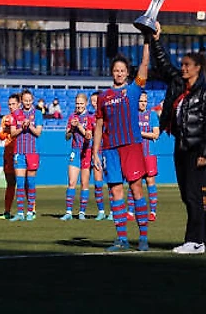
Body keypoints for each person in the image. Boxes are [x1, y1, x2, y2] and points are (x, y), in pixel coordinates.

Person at [150, 22, 206, 255]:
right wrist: (156, 40)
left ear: (198, 68)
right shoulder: (179, 85)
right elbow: (163, 65)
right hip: (180, 146)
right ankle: (193, 240)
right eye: (182, 65)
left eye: (187, 65)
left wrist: (204, 153)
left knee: (193, 195)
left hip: (194, 150)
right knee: (186, 195)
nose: (182, 68)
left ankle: (196, 241)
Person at [91, 40, 151, 252]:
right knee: (116, 192)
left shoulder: (134, 90)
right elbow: (99, 125)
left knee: (136, 189)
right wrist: (95, 152)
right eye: (116, 70)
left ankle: (143, 238)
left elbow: (144, 65)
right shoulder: (103, 97)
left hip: (131, 147)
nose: (119, 73)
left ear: (127, 73)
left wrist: (147, 41)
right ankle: (121, 239)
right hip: (110, 150)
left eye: (122, 70)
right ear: (112, 72)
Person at [9, 89, 43, 221]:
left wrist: (29, 126)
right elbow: (12, 133)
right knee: (20, 182)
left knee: (31, 182)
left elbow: (38, 132)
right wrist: (21, 127)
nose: (27, 102)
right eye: (25, 100)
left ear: (32, 100)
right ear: (21, 101)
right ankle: (19, 212)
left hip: (32, 151)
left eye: (30, 100)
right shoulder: (15, 114)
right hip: (19, 152)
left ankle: (30, 211)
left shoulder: (38, 113)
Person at [60, 93, 95, 221]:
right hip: (75, 151)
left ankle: (82, 212)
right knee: (71, 182)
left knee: (84, 183)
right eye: (77, 104)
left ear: (86, 104)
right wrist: (71, 129)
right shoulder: (72, 117)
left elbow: (88, 136)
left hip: (87, 152)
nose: (79, 106)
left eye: (81, 103)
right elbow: (67, 137)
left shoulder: (90, 117)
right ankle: (68, 211)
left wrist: (79, 126)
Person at [126, 91, 160, 222]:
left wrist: (139, 133)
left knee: (150, 182)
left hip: (148, 153)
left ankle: (152, 212)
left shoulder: (151, 115)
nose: (143, 103)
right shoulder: (131, 115)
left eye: (145, 101)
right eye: (140, 101)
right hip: (135, 154)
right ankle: (130, 212)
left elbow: (155, 135)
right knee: (134, 182)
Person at [88, 91, 110, 221]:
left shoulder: (108, 116)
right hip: (96, 153)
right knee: (98, 183)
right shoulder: (90, 117)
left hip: (108, 151)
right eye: (92, 102)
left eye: (96, 101)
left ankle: (113, 211)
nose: (94, 104)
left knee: (112, 182)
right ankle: (101, 211)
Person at [0, 93, 20, 219]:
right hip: (8, 152)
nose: (11, 106)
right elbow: (0, 135)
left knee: (24, 182)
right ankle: (7, 211)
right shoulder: (5, 118)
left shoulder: (22, 117)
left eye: (13, 104)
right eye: (9, 104)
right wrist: (6, 131)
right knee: (10, 182)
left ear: (19, 104)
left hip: (20, 152)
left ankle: (30, 210)